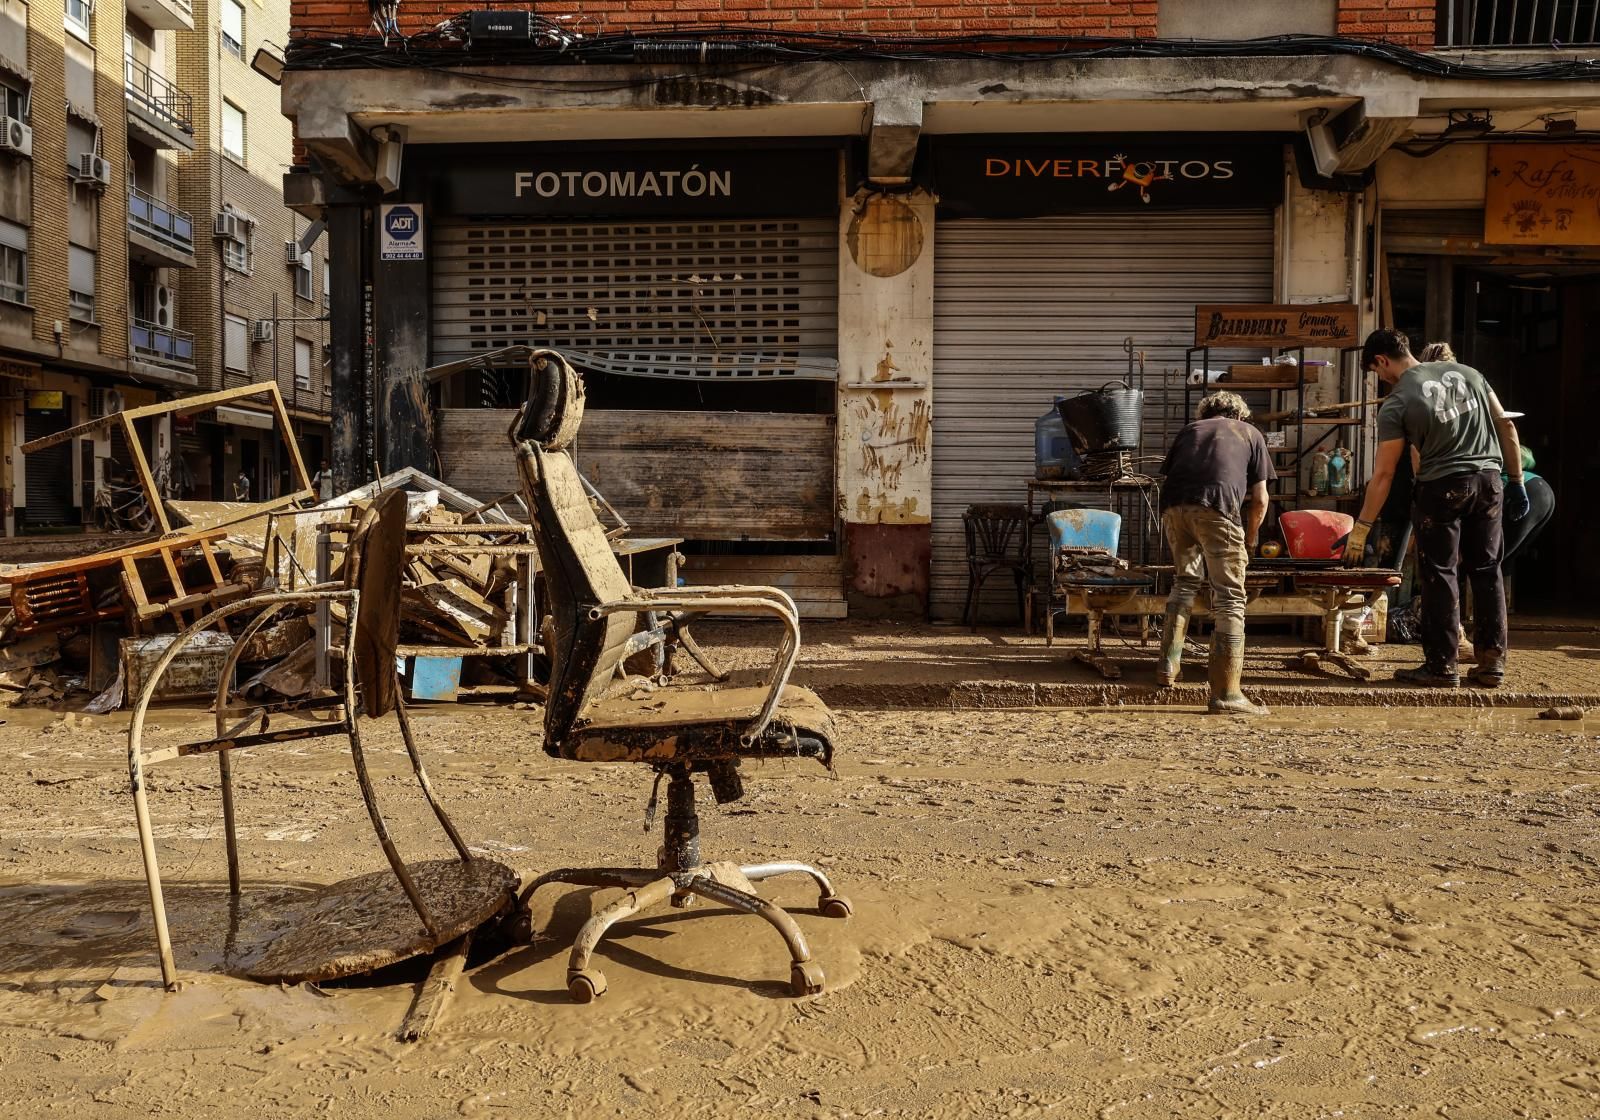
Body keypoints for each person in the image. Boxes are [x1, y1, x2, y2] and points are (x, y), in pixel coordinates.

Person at [1347, 330, 1529, 688]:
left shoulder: (1397, 402)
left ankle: (1442, 667)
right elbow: (1505, 423)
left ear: (1382, 361)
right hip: (1489, 481)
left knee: (1440, 574)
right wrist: (1517, 480)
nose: (1380, 380)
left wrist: (1362, 526)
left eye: (1376, 372)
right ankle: (1492, 663)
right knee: (1487, 568)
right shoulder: (1471, 373)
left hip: (1443, 487)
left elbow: (1384, 473)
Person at [1154, 390, 1274, 716]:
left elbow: (1173, 475)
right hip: (1217, 508)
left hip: (1174, 508)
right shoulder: (1250, 433)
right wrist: (1249, 542)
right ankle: (1227, 693)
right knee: (1231, 598)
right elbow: (1260, 500)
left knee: (1185, 581)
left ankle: (1169, 665)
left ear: (1205, 412)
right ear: (1240, 414)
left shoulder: (1190, 430)